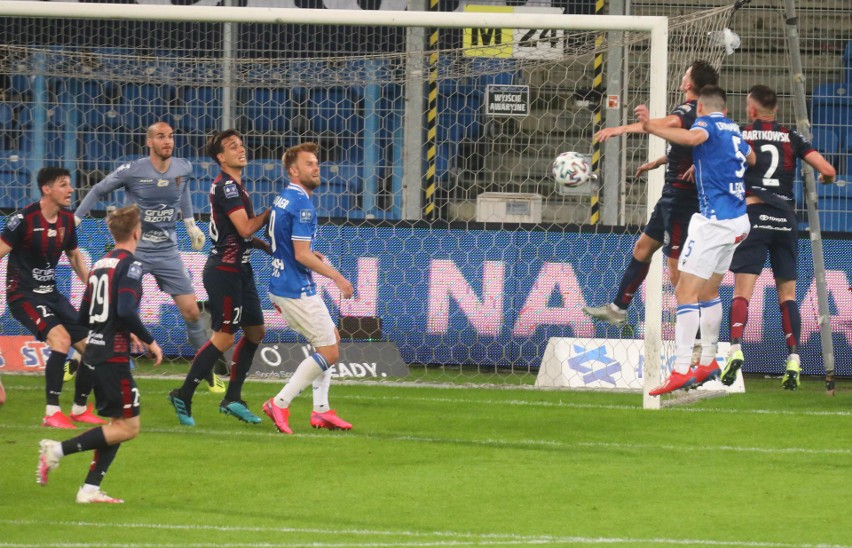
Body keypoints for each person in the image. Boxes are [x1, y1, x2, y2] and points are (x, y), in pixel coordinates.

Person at [74, 122, 224, 394]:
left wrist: (190, 224)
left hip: (168, 251)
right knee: (115, 307)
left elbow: (183, 190)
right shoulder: (133, 170)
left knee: (192, 311)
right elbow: (98, 189)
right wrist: (75, 219)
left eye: (170, 137)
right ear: (149, 142)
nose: (167, 141)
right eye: (160, 137)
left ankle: (207, 371)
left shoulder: (183, 167)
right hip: (136, 250)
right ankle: (83, 359)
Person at [37, 205, 163, 503]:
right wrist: (148, 340)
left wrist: (117, 328)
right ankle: (57, 450)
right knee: (129, 427)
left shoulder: (99, 265)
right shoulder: (131, 265)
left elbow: (83, 316)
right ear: (137, 232)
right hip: (113, 355)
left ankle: (90, 489)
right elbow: (124, 309)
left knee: (118, 425)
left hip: (95, 350)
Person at [583, 60, 720, 325]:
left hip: (683, 201)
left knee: (675, 268)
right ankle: (618, 308)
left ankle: (693, 332)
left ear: (689, 84)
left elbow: (662, 124)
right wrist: (659, 161)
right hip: (671, 197)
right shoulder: (697, 114)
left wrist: (619, 129)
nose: (682, 75)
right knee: (643, 248)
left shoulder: (687, 109)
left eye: (685, 72)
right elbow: (689, 147)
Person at [642, 85, 756, 396]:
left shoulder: (703, 124)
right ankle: (708, 360)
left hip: (714, 223)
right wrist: (710, 162)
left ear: (701, 109)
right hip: (739, 221)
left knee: (685, 290)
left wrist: (653, 127)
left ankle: (680, 369)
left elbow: (693, 138)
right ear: (725, 109)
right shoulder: (734, 129)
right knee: (708, 290)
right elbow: (752, 157)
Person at [721, 85, 836, 390]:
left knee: (742, 290)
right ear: (776, 110)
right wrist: (824, 178)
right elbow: (828, 169)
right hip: (785, 218)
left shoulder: (743, 135)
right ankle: (794, 359)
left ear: (753, 110)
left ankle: (735, 349)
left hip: (754, 215)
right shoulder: (793, 137)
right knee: (787, 295)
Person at [168, 129, 270, 426]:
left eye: (241, 143)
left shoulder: (238, 187)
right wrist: (271, 211)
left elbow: (240, 235)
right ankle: (183, 393)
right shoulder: (226, 187)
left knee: (255, 332)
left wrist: (263, 246)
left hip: (242, 268)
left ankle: (233, 398)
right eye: (232, 146)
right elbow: (245, 229)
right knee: (224, 337)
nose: (240, 149)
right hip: (225, 272)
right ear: (220, 158)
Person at [261, 143, 355, 434]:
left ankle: (321, 411)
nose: (316, 168)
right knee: (329, 351)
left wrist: (311, 257)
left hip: (283, 282)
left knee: (331, 340)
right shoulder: (303, 204)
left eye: (317, 163)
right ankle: (280, 402)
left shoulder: (284, 199)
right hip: (295, 289)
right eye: (309, 164)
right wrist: (338, 278)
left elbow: (287, 246)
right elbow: (301, 254)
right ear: (294, 170)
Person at [0, 167, 101, 428]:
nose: (71, 190)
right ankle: (52, 412)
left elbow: (75, 255)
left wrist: (92, 287)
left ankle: (79, 409)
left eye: (70, 184)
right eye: (64, 185)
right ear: (47, 189)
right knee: (61, 340)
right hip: (23, 295)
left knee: (91, 349)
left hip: (51, 293)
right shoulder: (23, 220)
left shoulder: (67, 219)